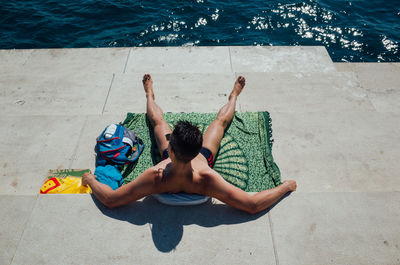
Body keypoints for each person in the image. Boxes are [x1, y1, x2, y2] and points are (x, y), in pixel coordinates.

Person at [82, 74, 296, 214]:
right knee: (220, 123)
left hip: (174, 167)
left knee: (158, 121)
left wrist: (90, 179)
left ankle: (231, 96)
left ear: (170, 149)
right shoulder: (208, 179)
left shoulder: (154, 177)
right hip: (200, 166)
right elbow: (252, 205)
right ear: (198, 149)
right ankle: (232, 98)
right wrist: (284, 187)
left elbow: (110, 200)